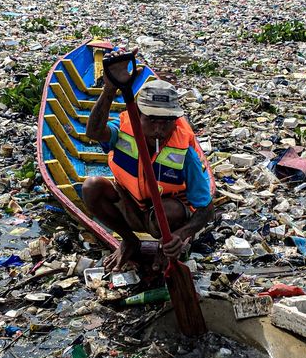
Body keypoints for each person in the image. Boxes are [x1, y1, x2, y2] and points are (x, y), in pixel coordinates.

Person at [83, 49, 214, 272]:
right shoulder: (124, 129)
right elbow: (94, 132)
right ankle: (129, 240)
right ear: (139, 115)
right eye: (151, 120)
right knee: (91, 187)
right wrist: (110, 88)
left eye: (166, 122)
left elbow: (206, 208)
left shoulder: (184, 151)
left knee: (170, 210)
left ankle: (165, 250)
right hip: (132, 205)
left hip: (164, 217)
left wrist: (181, 236)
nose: (158, 129)